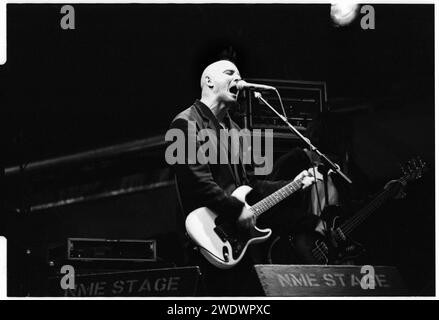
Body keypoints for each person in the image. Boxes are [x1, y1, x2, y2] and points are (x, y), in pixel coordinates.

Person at [167, 58, 319, 295]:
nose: (237, 79)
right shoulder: (184, 123)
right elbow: (197, 181)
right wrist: (236, 210)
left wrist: (295, 183)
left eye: (238, 75)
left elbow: (251, 184)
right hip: (206, 237)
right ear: (208, 81)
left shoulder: (237, 130)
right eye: (230, 73)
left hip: (237, 241)